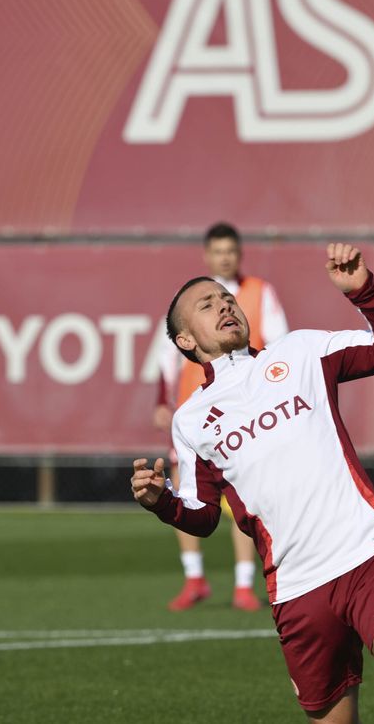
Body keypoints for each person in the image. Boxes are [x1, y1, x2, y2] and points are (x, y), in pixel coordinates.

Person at [131, 244, 374, 724]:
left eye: (226, 298)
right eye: (207, 304)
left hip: (368, 554)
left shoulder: (301, 352)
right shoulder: (191, 420)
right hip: (297, 589)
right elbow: (203, 518)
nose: (224, 305)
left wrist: (365, 292)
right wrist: (161, 503)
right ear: (186, 341)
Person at [154, 222, 289, 611]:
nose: (225, 257)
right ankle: (194, 577)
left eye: (231, 250)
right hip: (195, 409)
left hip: (244, 406)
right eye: (218, 251)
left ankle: (245, 583)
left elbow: (280, 345)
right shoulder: (188, 300)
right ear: (207, 255)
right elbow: (165, 357)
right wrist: (162, 401)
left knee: (243, 496)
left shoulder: (259, 292)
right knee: (185, 489)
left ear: (239, 253)